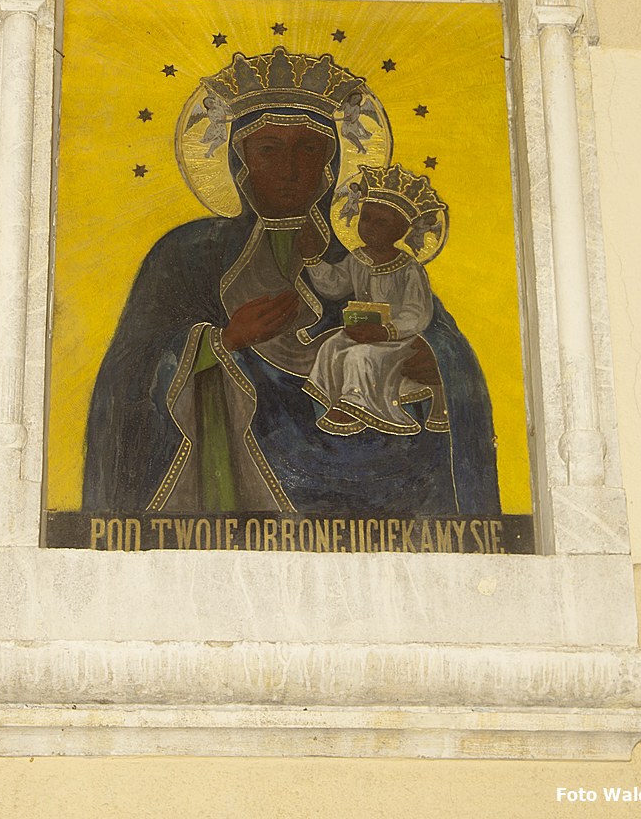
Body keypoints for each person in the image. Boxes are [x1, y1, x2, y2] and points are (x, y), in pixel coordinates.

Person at [82, 47, 500, 518]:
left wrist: (435, 361)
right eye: (269, 149)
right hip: (234, 468)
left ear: (329, 165)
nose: (291, 168)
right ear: (240, 162)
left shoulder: (366, 257)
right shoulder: (189, 253)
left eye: (309, 149)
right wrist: (221, 341)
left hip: (375, 475)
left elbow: (436, 335)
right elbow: (129, 372)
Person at [303, 164, 449, 438]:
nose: (369, 228)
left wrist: (386, 331)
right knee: (332, 345)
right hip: (365, 331)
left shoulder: (409, 268)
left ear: (401, 230)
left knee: (361, 356)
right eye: (366, 218)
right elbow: (334, 286)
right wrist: (312, 260)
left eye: (381, 223)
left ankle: (356, 406)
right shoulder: (358, 259)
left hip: (399, 340)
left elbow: (417, 313)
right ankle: (334, 401)